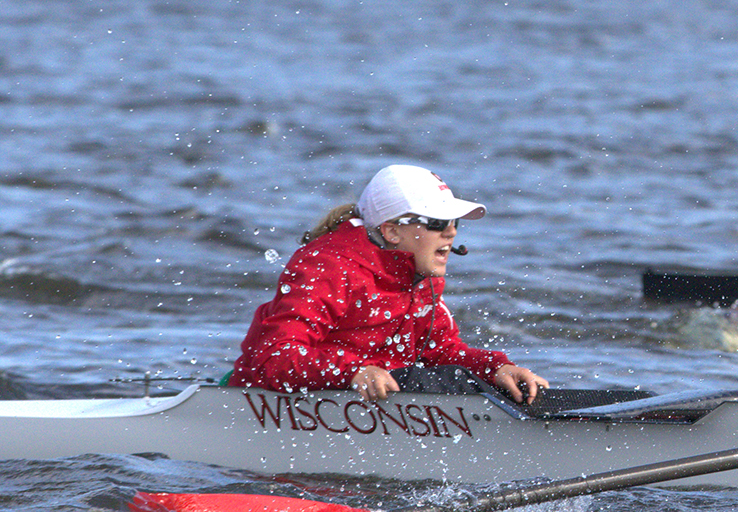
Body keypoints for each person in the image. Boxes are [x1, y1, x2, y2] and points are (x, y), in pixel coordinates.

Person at [229, 164, 548, 404]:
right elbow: (276, 358)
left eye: (454, 222)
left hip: (368, 397)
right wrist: (354, 372)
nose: (451, 233)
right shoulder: (327, 267)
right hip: (266, 404)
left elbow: (440, 352)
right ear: (392, 231)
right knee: (423, 379)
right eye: (437, 223)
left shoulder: (418, 279)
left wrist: (494, 369)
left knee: (447, 377)